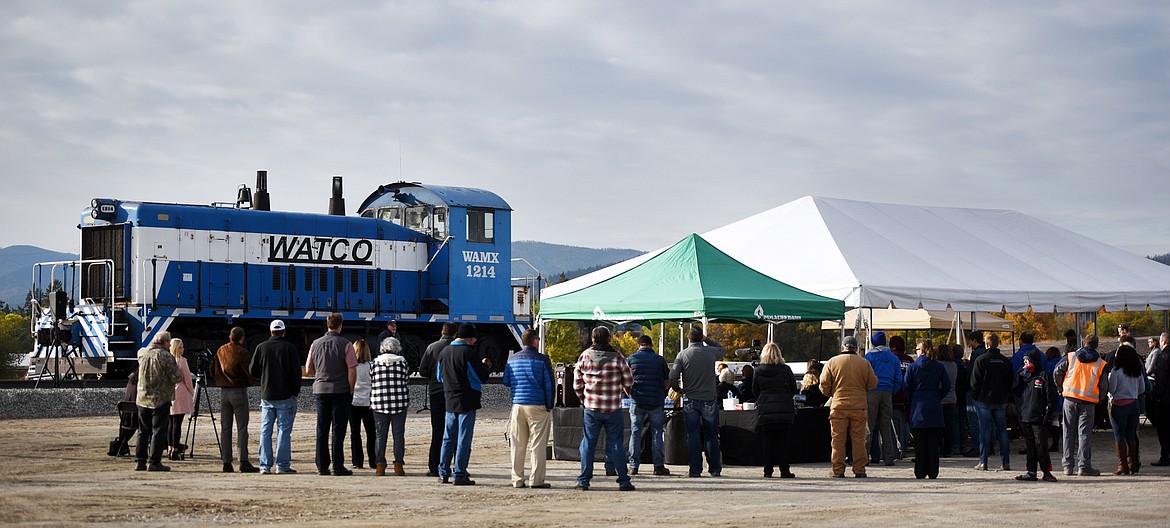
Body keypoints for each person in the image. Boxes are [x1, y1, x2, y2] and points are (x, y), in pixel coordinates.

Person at [573, 326, 635, 491]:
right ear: (609, 339)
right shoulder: (618, 358)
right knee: (616, 444)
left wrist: (584, 399)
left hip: (591, 408)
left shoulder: (585, 357)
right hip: (613, 408)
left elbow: (576, 384)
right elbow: (629, 382)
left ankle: (584, 481)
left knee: (588, 444)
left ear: (593, 339)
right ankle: (623, 480)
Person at [437, 323, 490, 486]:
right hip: (467, 400)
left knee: (447, 438)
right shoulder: (469, 353)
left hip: (449, 399)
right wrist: (486, 366)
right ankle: (459, 474)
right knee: (463, 439)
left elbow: (440, 377)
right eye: (474, 338)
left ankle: (443, 472)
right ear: (469, 337)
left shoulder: (444, 352)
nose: (475, 341)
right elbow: (480, 377)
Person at [305, 313, 358, 476]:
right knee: (338, 429)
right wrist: (351, 389)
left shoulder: (315, 344)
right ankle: (338, 466)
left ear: (327, 324)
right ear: (340, 325)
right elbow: (352, 369)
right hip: (340, 391)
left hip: (321, 390)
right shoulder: (346, 344)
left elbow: (308, 370)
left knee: (322, 428)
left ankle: (322, 466)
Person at [502, 329, 555, 488]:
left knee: (518, 444)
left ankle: (517, 479)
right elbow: (549, 385)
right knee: (537, 445)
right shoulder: (543, 360)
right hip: (538, 406)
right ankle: (537, 480)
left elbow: (506, 381)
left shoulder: (512, 359)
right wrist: (549, 405)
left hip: (518, 405)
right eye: (538, 339)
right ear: (534, 341)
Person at [820, 336, 878, 478]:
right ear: (856, 348)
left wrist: (832, 393)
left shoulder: (832, 362)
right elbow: (873, 383)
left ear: (842, 347)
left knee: (838, 439)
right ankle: (859, 469)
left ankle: (838, 470)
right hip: (859, 406)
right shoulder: (864, 363)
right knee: (859, 439)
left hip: (838, 406)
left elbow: (823, 383)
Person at [249, 319, 302, 475]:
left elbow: (252, 370)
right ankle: (282, 466)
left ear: (271, 332)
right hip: (286, 395)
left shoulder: (261, 347)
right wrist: (295, 392)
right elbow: (296, 374)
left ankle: (264, 465)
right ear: (284, 332)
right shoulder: (290, 348)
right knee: (284, 431)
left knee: (265, 430)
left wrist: (264, 378)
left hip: (267, 395)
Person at [670, 327, 723, 478]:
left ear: (688, 338)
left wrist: (678, 389)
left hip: (691, 399)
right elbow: (722, 349)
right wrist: (707, 340)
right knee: (711, 434)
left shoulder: (682, 354)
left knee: (692, 435)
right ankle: (714, 468)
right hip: (709, 398)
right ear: (701, 338)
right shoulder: (710, 352)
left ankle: (695, 469)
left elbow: (673, 376)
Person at [1053, 334, 1109, 476]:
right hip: (1089, 402)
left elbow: (1057, 371)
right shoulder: (1100, 363)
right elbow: (1104, 385)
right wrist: (1100, 399)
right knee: (1084, 434)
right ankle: (1084, 466)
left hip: (1070, 399)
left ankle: (1067, 466)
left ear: (1084, 343)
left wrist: (1060, 388)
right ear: (1096, 345)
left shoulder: (1071, 357)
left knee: (1068, 432)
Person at [212, 326, 259, 473]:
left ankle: (226, 462)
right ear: (242, 338)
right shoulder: (242, 352)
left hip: (223, 393)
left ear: (230, 337)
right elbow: (250, 373)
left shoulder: (221, 350)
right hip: (238, 392)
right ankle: (243, 461)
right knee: (242, 428)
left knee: (225, 429)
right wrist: (250, 381)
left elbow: (212, 370)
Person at [135, 331, 182, 472]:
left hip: (142, 398)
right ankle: (154, 462)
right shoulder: (166, 356)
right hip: (160, 399)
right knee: (158, 431)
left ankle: (140, 462)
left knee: (143, 431)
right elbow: (177, 377)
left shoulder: (142, 353)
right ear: (166, 343)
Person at [626, 334, 671, 477]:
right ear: (651, 345)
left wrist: (629, 393)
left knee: (635, 433)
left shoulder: (631, 359)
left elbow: (625, 381)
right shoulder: (660, 360)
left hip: (637, 401)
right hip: (656, 401)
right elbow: (666, 382)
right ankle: (658, 466)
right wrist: (661, 393)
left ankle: (633, 466)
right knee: (657, 433)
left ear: (639, 345)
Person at [1012, 348, 1059, 482]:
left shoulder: (1043, 376)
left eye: (1027, 360)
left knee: (1041, 445)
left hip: (1039, 416)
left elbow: (1052, 397)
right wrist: (1019, 377)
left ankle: (1047, 472)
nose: (1025, 363)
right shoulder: (1024, 377)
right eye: (1024, 361)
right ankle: (1031, 471)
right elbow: (1015, 390)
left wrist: (1048, 414)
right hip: (1026, 415)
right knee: (1030, 446)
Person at [906, 339, 950, 479]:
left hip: (918, 405)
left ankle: (919, 471)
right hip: (934, 405)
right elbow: (947, 385)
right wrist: (938, 396)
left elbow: (906, 386)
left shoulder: (913, 367)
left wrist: (913, 398)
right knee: (933, 442)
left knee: (920, 442)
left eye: (917, 350)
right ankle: (932, 471)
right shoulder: (938, 367)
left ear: (922, 350)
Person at [418, 322, 457, 477]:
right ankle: (455, 466)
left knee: (438, 430)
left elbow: (422, 371)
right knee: (454, 430)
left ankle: (434, 466)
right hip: (453, 394)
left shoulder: (431, 347)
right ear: (455, 334)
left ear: (442, 332)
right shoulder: (457, 348)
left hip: (435, 393)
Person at [970, 332, 1013, 471]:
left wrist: (975, 396)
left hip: (984, 399)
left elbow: (975, 381)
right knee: (1002, 431)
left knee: (985, 430)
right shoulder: (1005, 361)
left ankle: (983, 461)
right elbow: (1010, 381)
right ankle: (1005, 462)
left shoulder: (981, 360)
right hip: (1000, 399)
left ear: (986, 344)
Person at [753, 343, 797, 478]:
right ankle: (784, 470)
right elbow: (793, 389)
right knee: (783, 442)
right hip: (784, 410)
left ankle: (768, 470)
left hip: (766, 410)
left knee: (768, 442)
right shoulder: (785, 370)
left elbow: (755, 391)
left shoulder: (758, 371)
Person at [370, 336, 411, 476]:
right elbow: (406, 379)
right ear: (397, 348)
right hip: (399, 403)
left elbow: (372, 379)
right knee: (398, 435)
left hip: (379, 403)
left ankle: (380, 465)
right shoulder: (403, 362)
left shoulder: (375, 363)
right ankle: (398, 465)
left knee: (380, 435)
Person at [1108, 343, 1146, 475]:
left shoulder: (1116, 372)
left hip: (1119, 405)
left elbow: (1111, 390)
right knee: (1131, 434)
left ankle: (1122, 465)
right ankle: (1132, 463)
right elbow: (1142, 389)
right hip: (1134, 404)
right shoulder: (1137, 372)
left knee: (1119, 435)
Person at [864, 331, 901, 466]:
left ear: (873, 343)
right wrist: (892, 390)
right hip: (888, 391)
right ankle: (889, 458)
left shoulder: (869, 357)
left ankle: (864, 458)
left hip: (872, 392)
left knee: (869, 426)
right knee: (885, 426)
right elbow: (898, 378)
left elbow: (866, 376)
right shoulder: (893, 358)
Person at [348, 339, 376, 470]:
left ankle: (357, 461)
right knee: (371, 433)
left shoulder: (351, 367)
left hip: (354, 401)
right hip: (369, 402)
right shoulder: (372, 365)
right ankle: (373, 460)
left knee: (355, 433)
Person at [889, 335, 914, 459]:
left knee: (890, 423)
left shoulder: (890, 358)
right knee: (905, 421)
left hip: (893, 395)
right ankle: (903, 448)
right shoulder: (909, 360)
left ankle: (894, 449)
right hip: (907, 395)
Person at [168, 338, 193, 461]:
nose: (183, 349)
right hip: (180, 393)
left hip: (168, 394)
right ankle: (175, 449)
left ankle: (169, 448)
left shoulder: (167, 360)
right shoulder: (182, 361)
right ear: (178, 348)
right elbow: (187, 378)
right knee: (177, 423)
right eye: (182, 347)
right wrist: (191, 391)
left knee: (170, 423)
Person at [964, 331, 987, 457]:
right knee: (986, 420)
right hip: (986, 391)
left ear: (974, 341)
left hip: (974, 390)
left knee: (974, 420)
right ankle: (988, 445)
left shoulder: (976, 354)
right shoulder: (986, 351)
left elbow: (971, 373)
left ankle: (977, 446)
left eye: (970, 342)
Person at [936, 344, 960, 458]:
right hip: (952, 397)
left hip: (941, 398)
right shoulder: (954, 365)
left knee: (939, 425)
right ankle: (948, 449)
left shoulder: (939, 365)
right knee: (949, 425)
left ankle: (940, 447)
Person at [1151, 333, 1170, 466]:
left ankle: (1165, 457)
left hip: (1165, 399)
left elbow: (1161, 379)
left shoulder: (1163, 357)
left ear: (1163, 341)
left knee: (1164, 429)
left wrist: (1155, 395)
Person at [1044, 345, 1065, 452]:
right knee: (1060, 420)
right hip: (1064, 395)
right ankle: (1060, 443)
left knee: (1053, 419)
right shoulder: (1064, 363)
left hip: (1053, 395)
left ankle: (1054, 444)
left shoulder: (1048, 365)